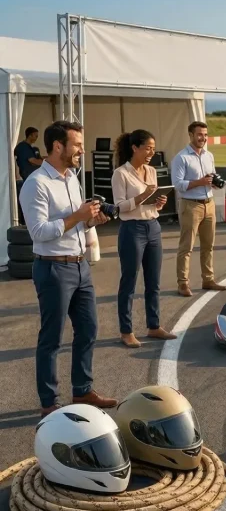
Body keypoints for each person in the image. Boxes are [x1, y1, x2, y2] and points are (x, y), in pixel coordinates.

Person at [19, 120, 116, 417]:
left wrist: (90, 220)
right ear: (58, 146)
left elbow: (76, 223)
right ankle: (49, 402)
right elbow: (38, 232)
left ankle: (82, 390)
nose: (82, 150)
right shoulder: (36, 183)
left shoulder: (72, 177)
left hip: (79, 265)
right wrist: (78, 216)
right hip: (53, 269)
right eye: (77, 145)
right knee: (52, 338)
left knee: (88, 329)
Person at [112, 129, 177, 348]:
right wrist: (142, 196)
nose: (151, 153)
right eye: (148, 148)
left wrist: (158, 202)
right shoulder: (121, 173)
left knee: (153, 281)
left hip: (153, 226)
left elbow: (151, 203)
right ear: (135, 148)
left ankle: (154, 326)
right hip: (132, 229)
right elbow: (118, 207)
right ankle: (126, 331)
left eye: (153, 149)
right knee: (129, 281)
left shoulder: (151, 170)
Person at [171, 121, 226, 297]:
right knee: (186, 247)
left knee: (208, 245)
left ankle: (208, 279)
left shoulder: (209, 155)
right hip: (190, 205)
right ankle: (183, 283)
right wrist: (200, 182)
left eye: (205, 134)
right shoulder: (181, 158)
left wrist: (214, 182)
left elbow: (212, 177)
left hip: (209, 203)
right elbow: (178, 184)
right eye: (199, 134)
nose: (203, 138)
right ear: (191, 135)